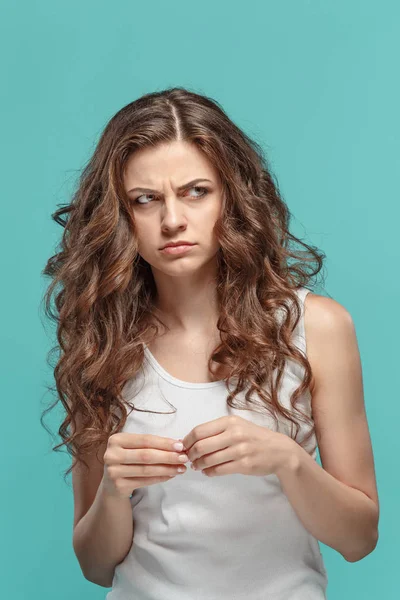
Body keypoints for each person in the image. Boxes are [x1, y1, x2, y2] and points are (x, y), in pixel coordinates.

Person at [41, 87, 379, 599]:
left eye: (196, 191)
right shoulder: (101, 344)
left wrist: (287, 460)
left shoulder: (317, 328)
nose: (172, 219)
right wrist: (113, 491)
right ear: (120, 217)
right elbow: (95, 565)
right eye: (145, 199)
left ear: (232, 195)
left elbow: (359, 538)